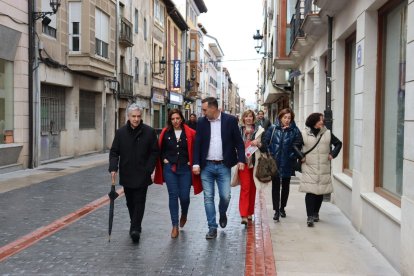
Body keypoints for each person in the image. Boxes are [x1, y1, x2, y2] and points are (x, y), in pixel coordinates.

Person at [193, 97, 245, 239]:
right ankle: (212, 227)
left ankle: (222, 212)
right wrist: (196, 163)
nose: (203, 112)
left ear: (213, 108)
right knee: (208, 197)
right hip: (207, 166)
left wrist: (241, 159)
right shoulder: (201, 122)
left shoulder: (230, 121)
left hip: (224, 165)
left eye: (204, 109)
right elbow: (197, 143)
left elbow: (239, 143)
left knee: (226, 196)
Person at [109, 103, 159, 243]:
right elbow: (114, 152)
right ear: (128, 117)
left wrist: (149, 169)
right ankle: (134, 222)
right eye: (133, 116)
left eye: (138, 116)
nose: (136, 119)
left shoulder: (149, 132)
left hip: (143, 174)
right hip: (127, 173)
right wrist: (113, 168)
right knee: (130, 202)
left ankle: (135, 228)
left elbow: (155, 152)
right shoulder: (121, 133)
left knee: (139, 201)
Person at [154, 109, 202, 238]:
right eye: (173, 119)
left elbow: (196, 149)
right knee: (173, 196)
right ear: (170, 120)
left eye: (177, 118)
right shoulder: (165, 132)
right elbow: (160, 148)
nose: (175, 121)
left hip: (185, 169)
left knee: (185, 197)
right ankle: (174, 225)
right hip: (170, 169)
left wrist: (192, 161)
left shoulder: (190, 133)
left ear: (181, 119)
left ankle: (184, 213)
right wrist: (164, 159)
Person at [296, 112, 342, 227]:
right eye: (320, 120)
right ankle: (310, 216)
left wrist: (333, 154)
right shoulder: (303, 133)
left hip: (323, 166)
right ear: (314, 121)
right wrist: (301, 156)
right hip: (309, 166)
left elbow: (338, 144)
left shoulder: (327, 133)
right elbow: (295, 146)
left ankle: (316, 213)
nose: (322, 121)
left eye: (322, 120)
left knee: (320, 192)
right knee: (311, 192)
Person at [262, 108, 302, 222]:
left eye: (289, 118)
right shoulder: (273, 128)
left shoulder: (295, 131)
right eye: (285, 117)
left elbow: (298, 145)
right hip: (275, 162)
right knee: (275, 187)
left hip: (287, 162)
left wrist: (292, 156)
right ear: (280, 117)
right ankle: (276, 211)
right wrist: (270, 153)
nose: (287, 120)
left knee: (285, 186)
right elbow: (265, 141)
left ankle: (282, 207)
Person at [238, 110, 267, 224]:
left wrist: (258, 143)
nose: (248, 118)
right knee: (245, 188)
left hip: (255, 163)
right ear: (243, 118)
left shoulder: (259, 130)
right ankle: (244, 214)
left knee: (253, 188)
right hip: (243, 162)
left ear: (253, 118)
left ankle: (250, 213)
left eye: (250, 116)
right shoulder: (239, 130)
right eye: (246, 116)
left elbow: (265, 146)